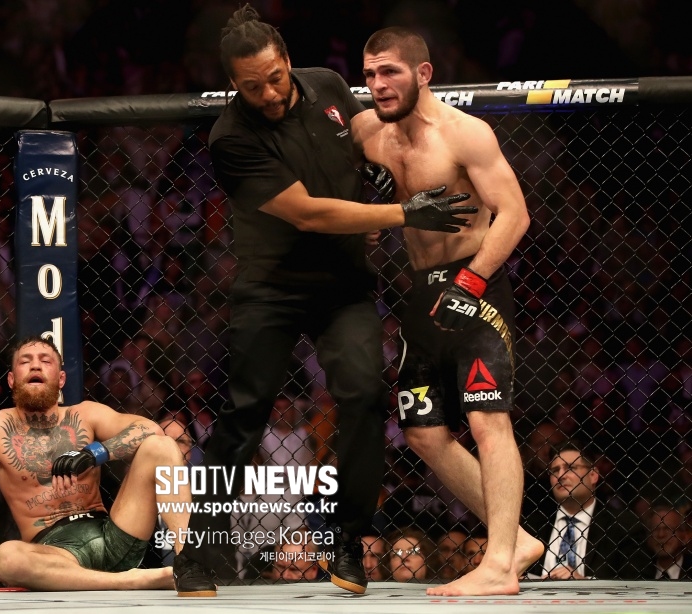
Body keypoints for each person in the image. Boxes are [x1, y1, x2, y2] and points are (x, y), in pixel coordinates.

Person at [173, 5, 476, 598]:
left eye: (274, 77)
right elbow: (309, 213)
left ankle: (348, 542)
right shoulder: (230, 137)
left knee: (363, 396)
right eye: (251, 86)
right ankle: (199, 552)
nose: (267, 93)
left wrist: (377, 172)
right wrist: (400, 212)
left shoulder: (330, 86)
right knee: (244, 415)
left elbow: (359, 140)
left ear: (288, 61)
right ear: (233, 84)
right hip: (272, 288)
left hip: (343, 284)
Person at [353, 26, 543, 596]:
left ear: (423, 73)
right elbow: (339, 183)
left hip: (475, 283)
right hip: (421, 289)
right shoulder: (366, 132)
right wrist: (364, 214)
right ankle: (518, 541)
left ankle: (499, 563)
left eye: (390, 71)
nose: (378, 84)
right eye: (369, 74)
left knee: (487, 420)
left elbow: (514, 213)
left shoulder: (465, 134)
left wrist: (472, 281)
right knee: (422, 431)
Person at [0, 335, 189, 592]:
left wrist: (94, 453)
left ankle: (188, 561)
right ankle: (137, 580)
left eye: (45, 361)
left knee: (162, 446)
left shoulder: (86, 414)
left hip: (114, 535)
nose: (35, 366)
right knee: (6, 557)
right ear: (11, 379)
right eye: (25, 361)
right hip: (55, 554)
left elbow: (150, 429)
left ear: (61, 379)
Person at [524, 440, 637, 580]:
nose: (561, 476)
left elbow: (638, 581)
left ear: (593, 475)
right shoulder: (532, 526)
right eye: (555, 471)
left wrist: (584, 583)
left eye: (570, 468)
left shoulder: (623, 525)